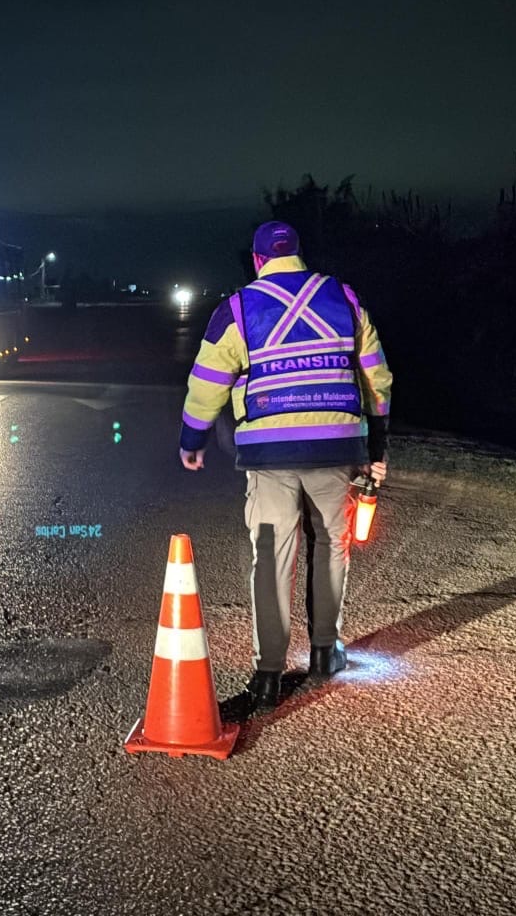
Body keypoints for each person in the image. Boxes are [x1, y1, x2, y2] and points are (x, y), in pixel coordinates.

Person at [177, 221, 392, 712]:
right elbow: (376, 377)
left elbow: (207, 381)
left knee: (272, 555)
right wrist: (377, 443)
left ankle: (269, 674)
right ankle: (325, 652)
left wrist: (193, 438)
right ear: (298, 253)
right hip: (337, 446)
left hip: (270, 452)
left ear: (257, 260)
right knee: (332, 545)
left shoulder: (237, 308)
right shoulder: (343, 298)